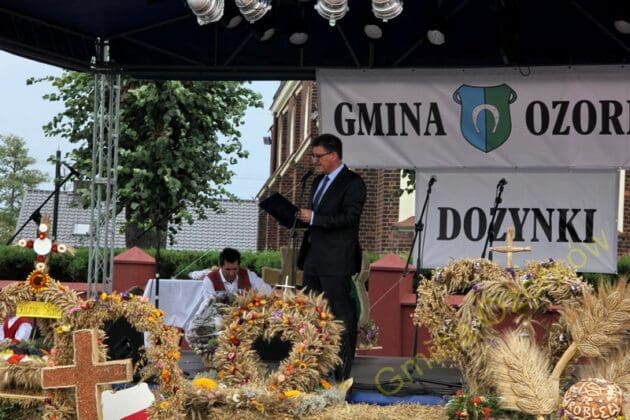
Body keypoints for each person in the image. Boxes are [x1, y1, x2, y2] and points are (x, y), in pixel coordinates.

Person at [296, 133, 366, 381]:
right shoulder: (317, 182)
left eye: (319, 156)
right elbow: (314, 219)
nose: (315, 161)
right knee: (312, 312)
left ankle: (342, 372)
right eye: (313, 156)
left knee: (340, 313)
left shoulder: (353, 182)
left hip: (336, 260)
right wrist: (296, 217)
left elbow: (349, 218)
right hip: (313, 257)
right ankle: (314, 369)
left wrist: (314, 217)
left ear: (334, 155)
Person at [200, 247, 272, 300]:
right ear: (220, 266)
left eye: (235, 269)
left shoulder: (248, 274)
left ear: (239, 265)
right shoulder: (209, 280)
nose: (231, 273)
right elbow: (209, 303)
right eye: (227, 269)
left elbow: (266, 289)